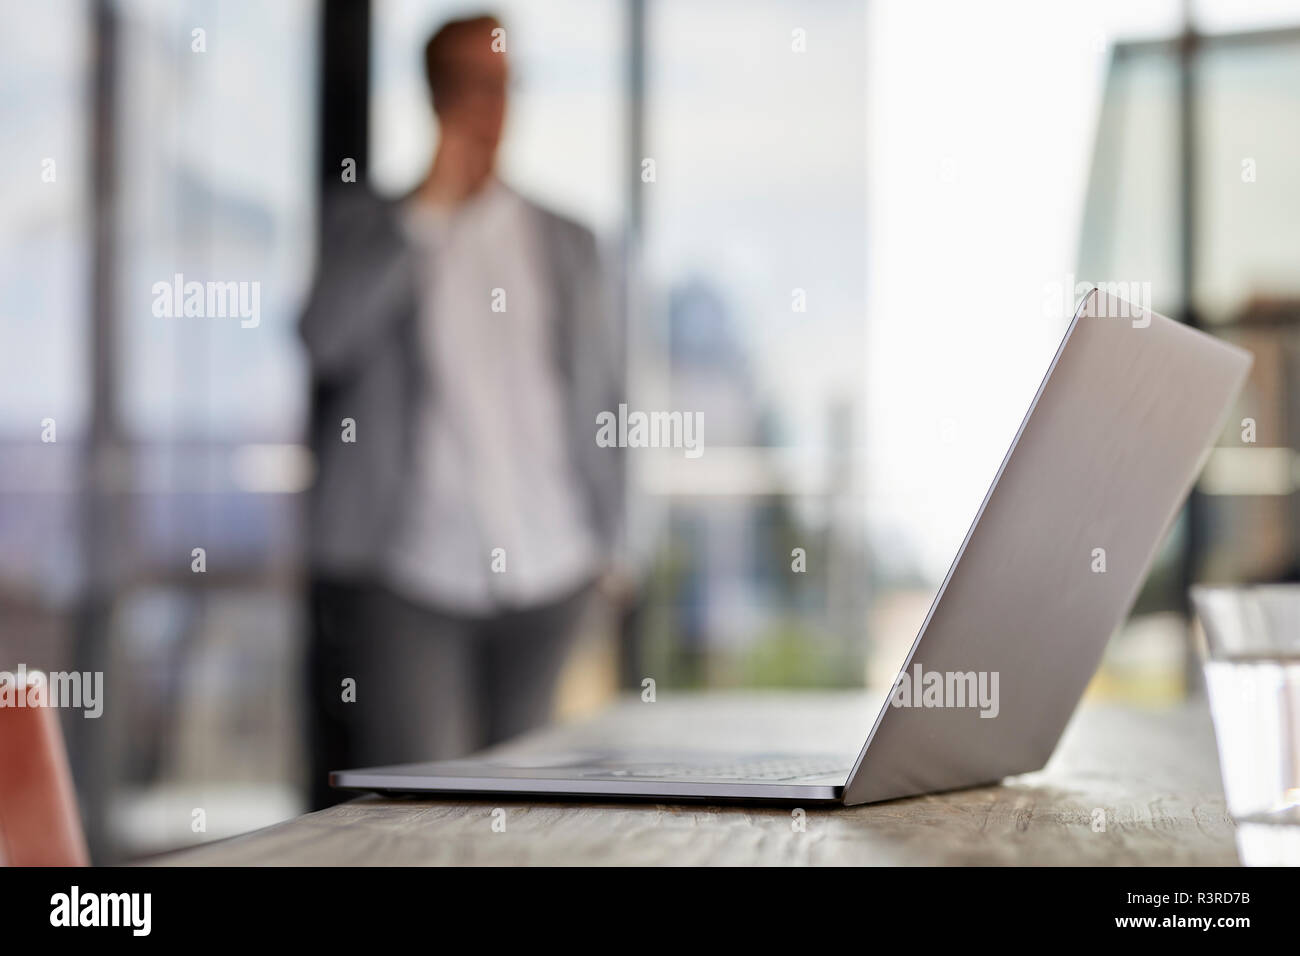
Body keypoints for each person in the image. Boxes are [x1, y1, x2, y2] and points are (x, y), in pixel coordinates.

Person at [299, 14, 623, 809]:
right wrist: (425, 214)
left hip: (553, 567)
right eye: (476, 85)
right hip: (411, 571)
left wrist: (616, 545)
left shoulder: (568, 239)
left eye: (507, 85)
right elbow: (323, 340)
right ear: (436, 95)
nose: (494, 105)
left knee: (532, 814)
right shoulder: (371, 227)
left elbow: (609, 398)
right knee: (419, 815)